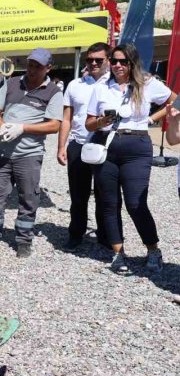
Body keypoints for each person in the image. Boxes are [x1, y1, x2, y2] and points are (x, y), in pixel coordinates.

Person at [85, 43, 176, 274]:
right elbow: (89, 122)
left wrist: (152, 119)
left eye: (122, 61)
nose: (117, 66)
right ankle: (118, 253)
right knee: (109, 203)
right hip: (106, 145)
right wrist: (101, 122)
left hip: (137, 146)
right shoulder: (101, 87)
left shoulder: (147, 84)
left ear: (132, 63)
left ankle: (153, 249)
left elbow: (175, 101)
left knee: (136, 202)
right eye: (114, 61)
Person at [0, 48, 63, 259]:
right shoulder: (13, 83)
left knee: (28, 198)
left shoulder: (53, 92)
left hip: (29, 155)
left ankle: (24, 239)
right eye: (31, 64)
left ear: (48, 68)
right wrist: (3, 126)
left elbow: (54, 125)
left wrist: (23, 128)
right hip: (2, 154)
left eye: (38, 66)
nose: (32, 69)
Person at [58, 42, 113, 250]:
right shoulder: (75, 85)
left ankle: (106, 235)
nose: (93, 63)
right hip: (79, 144)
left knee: (105, 194)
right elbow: (66, 118)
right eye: (89, 59)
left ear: (108, 60)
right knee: (78, 195)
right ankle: (76, 233)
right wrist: (61, 146)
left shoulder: (116, 84)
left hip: (106, 144)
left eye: (99, 60)